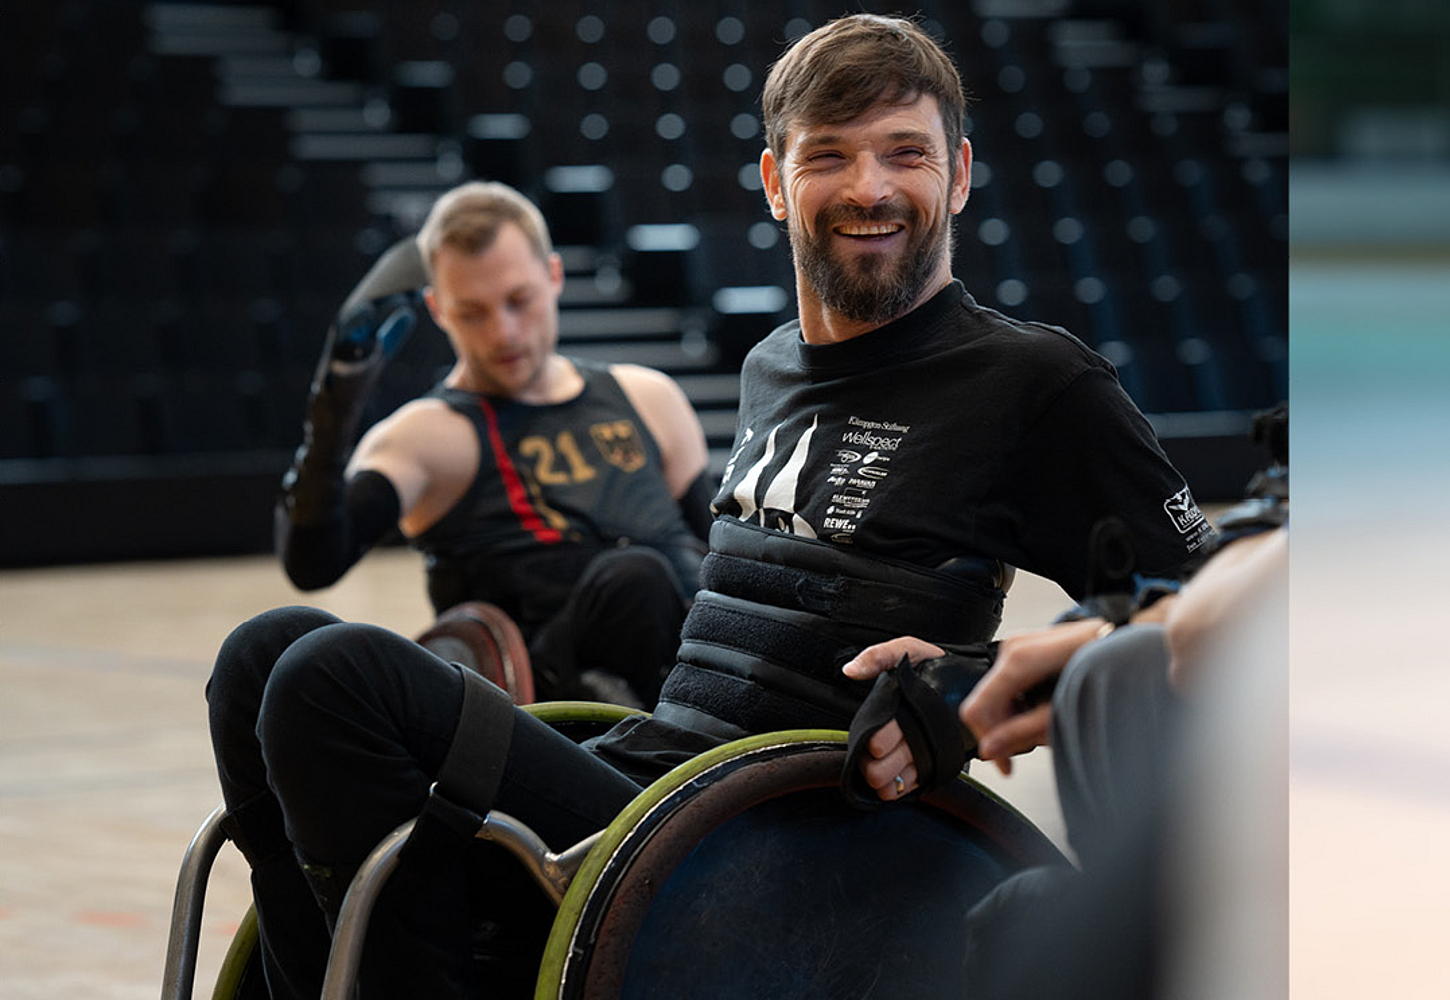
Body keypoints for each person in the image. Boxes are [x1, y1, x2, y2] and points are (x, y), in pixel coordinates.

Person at [204, 14, 1217, 998]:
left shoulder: (1035, 383)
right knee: (261, 654)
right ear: (776, 184)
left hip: (771, 849)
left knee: (335, 677)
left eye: (904, 153)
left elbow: (1215, 611)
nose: (870, 187)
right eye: (829, 156)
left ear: (956, 174)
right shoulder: (770, 365)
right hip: (653, 791)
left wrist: (978, 678)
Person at [276, 181, 710, 705]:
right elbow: (312, 564)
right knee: (635, 578)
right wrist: (334, 410)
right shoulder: (426, 436)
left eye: (518, 301)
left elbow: (718, 553)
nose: (503, 332)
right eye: (472, 313)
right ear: (438, 309)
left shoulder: (648, 397)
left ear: (554, 276)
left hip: (693, 669)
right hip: (543, 707)